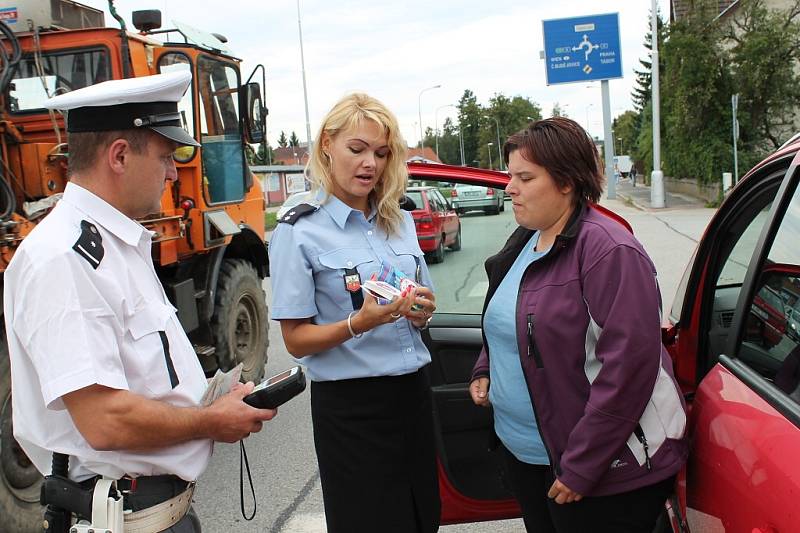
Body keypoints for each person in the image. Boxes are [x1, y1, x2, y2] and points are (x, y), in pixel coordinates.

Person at [3, 71, 276, 532]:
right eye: (167, 156)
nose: (173, 172)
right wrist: (209, 421)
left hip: (157, 514)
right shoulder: (63, 259)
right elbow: (104, 420)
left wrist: (208, 402)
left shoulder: (116, 245)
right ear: (120, 155)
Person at [469, 117, 688, 533]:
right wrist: (486, 366)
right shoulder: (524, 241)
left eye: (524, 177)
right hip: (529, 457)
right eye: (509, 175)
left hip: (600, 471)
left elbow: (629, 370)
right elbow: (511, 319)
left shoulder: (609, 251)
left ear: (567, 181)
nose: (508, 187)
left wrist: (582, 467)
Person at [268, 93, 440, 533]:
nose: (371, 164)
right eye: (357, 149)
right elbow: (295, 339)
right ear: (328, 144)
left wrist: (421, 311)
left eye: (382, 153)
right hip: (353, 410)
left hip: (414, 396)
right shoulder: (298, 229)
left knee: (424, 519)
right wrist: (356, 324)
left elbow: (423, 306)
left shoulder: (397, 220)